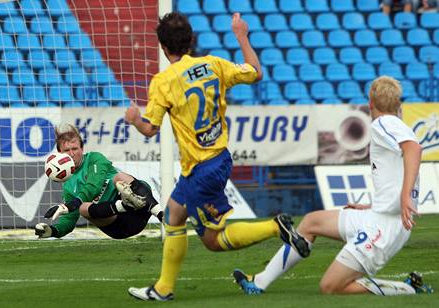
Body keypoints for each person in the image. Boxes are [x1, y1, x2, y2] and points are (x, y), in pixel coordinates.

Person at [124, 12, 300, 301]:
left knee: (214, 241)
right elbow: (256, 72)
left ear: (163, 46)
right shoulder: (213, 64)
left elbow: (150, 129)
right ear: (191, 41)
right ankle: (163, 288)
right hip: (217, 158)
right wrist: (241, 35)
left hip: (201, 168)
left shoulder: (164, 81)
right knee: (173, 214)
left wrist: (133, 118)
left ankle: (274, 226)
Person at [233, 76, 434, 296]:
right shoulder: (394, 124)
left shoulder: (383, 123)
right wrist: (373, 205)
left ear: (370, 103)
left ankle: (408, 288)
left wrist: (405, 196)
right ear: (398, 104)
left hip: (385, 228)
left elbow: (413, 149)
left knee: (330, 287)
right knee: (311, 222)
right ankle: (259, 282)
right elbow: (399, 168)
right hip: (377, 215)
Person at [34, 123, 163, 239]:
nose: (72, 154)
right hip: (117, 226)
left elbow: (94, 186)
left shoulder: (95, 159)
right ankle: (125, 204)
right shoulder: (68, 185)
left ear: (82, 149)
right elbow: (69, 218)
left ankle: (162, 215)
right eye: (67, 150)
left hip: (141, 209)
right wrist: (53, 231)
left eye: (75, 149)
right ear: (59, 153)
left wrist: (74, 202)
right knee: (82, 208)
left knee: (120, 178)